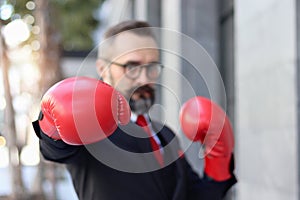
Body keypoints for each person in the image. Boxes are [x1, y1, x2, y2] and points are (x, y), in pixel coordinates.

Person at [32, 20, 237, 200]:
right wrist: (51, 126)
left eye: (152, 67)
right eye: (132, 67)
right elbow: (54, 149)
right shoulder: (90, 131)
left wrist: (219, 159)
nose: (145, 79)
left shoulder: (165, 134)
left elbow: (195, 195)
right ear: (103, 69)